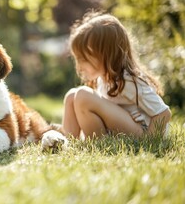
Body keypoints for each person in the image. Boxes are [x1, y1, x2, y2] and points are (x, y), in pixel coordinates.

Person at [61, 11, 171, 139]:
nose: (79, 66)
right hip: (119, 132)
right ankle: (67, 141)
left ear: (106, 55)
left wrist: (149, 142)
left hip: (142, 134)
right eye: (77, 59)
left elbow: (164, 113)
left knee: (82, 95)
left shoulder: (128, 80)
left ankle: (98, 144)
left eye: (84, 59)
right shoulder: (102, 80)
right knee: (71, 96)